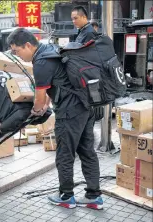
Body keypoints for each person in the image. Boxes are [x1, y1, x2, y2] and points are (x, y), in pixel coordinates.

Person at [7, 28, 103, 209]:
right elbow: (60, 81)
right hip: (85, 106)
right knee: (87, 151)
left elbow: (39, 97)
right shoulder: (51, 49)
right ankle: (94, 196)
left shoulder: (40, 62)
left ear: (28, 45)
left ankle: (66, 196)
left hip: (69, 112)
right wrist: (47, 103)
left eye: (17, 51)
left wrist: (36, 111)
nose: (17, 55)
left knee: (64, 154)